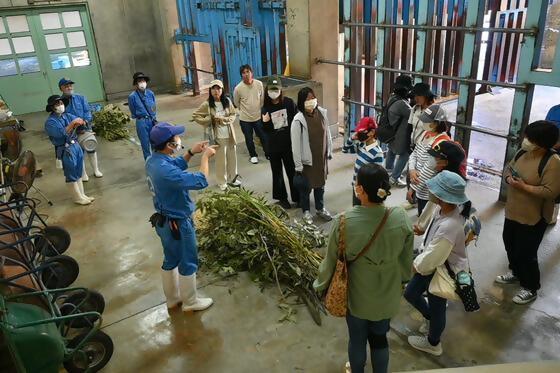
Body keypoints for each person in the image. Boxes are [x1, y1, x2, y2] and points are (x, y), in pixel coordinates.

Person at [314, 164, 413, 373]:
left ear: (359, 190)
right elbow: (406, 263)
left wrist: (320, 285)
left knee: (357, 340)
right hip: (387, 296)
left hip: (357, 298)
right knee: (379, 340)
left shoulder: (343, 222)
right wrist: (402, 281)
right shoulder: (401, 217)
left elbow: (330, 261)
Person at [146, 122, 217, 312]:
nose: (179, 140)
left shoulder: (153, 161)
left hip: (163, 221)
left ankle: (173, 299)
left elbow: (176, 164)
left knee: (171, 258)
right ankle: (190, 301)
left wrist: (191, 152)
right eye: (176, 138)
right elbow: (201, 181)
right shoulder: (165, 172)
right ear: (169, 145)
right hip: (178, 223)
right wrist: (205, 158)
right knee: (188, 259)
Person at [404, 171, 471, 356]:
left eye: (434, 189)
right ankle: (430, 320)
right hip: (435, 264)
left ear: (443, 196)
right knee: (411, 294)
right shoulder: (442, 209)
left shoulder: (451, 225)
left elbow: (435, 256)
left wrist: (415, 265)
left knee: (437, 303)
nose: (430, 191)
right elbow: (434, 240)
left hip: (440, 269)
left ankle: (433, 343)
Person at [496, 121, 560, 304]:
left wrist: (524, 187)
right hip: (513, 211)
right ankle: (515, 272)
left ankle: (531, 287)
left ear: (542, 142)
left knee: (526, 253)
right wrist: (509, 178)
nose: (526, 140)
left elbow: (550, 192)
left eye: (530, 138)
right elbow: (509, 167)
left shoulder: (553, 162)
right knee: (510, 244)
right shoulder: (523, 152)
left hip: (534, 217)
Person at [291, 87, 333, 225]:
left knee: (320, 185)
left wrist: (329, 151)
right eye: (307, 99)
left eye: (312, 98)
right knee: (306, 188)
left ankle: (320, 208)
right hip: (307, 161)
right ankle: (306, 211)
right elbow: (295, 145)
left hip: (320, 158)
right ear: (301, 102)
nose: (310, 101)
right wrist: (298, 165)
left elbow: (328, 133)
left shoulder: (321, 113)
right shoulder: (298, 120)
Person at [44, 95, 93, 205]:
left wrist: (82, 121)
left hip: (75, 145)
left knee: (79, 171)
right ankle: (77, 198)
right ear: (52, 107)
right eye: (57, 104)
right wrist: (72, 124)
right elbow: (59, 134)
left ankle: (82, 195)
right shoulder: (50, 122)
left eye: (61, 103)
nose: (60, 105)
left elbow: (79, 120)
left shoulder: (67, 115)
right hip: (65, 149)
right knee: (71, 173)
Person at [191, 79, 240, 191]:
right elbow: (195, 115)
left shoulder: (227, 101)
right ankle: (221, 181)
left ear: (222, 90)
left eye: (218, 88)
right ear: (210, 91)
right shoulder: (207, 104)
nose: (216, 91)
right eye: (213, 88)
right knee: (221, 160)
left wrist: (225, 120)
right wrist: (208, 120)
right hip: (218, 137)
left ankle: (233, 178)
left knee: (232, 158)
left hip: (230, 134)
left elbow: (233, 114)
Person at [261, 76, 298, 209]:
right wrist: (264, 123)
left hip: (288, 145)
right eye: (271, 89)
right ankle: (282, 198)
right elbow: (265, 131)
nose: (274, 92)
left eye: (276, 89)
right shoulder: (265, 108)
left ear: (281, 89)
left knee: (292, 171)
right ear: (267, 91)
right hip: (274, 147)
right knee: (277, 174)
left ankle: (297, 196)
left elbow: (297, 121)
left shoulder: (289, 103)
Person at [408, 104, 451, 216]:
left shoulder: (441, 142)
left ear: (436, 123)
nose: (423, 123)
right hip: (419, 186)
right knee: (421, 213)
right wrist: (412, 170)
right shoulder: (426, 134)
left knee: (427, 218)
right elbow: (414, 154)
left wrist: (413, 188)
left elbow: (429, 169)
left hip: (430, 191)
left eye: (426, 121)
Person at [59, 77, 103, 181]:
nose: (69, 87)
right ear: (61, 88)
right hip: (72, 132)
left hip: (85, 128)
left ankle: (96, 170)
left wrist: (85, 121)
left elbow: (87, 111)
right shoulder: (61, 102)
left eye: (70, 85)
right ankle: (83, 174)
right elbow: (63, 116)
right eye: (66, 86)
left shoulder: (81, 98)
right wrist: (73, 124)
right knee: (79, 152)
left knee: (91, 147)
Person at [233, 64, 268, 164]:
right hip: (245, 119)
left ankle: (268, 153)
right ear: (241, 75)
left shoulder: (259, 84)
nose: (246, 74)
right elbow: (236, 103)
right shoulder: (238, 88)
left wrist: (259, 111)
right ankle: (253, 155)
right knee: (249, 139)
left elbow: (262, 99)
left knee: (263, 136)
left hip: (258, 117)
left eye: (248, 71)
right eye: (243, 73)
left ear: (252, 73)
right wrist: (244, 111)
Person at [384, 75, 413, 187]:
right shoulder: (402, 104)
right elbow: (413, 115)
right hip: (400, 134)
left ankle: (388, 171)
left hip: (392, 131)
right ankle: (394, 178)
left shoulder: (392, 97)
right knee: (405, 154)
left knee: (391, 150)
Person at [351, 117, 384, 206]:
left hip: (365, 193)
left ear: (372, 132)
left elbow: (376, 177)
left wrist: (365, 194)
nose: (360, 134)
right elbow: (345, 150)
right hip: (356, 186)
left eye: (362, 132)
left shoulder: (378, 153)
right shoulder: (362, 144)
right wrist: (352, 139)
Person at [128, 72, 157, 160]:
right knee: (145, 145)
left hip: (152, 120)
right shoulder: (132, 97)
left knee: (155, 143)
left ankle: (157, 164)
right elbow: (133, 111)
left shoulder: (150, 93)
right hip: (141, 122)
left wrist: (154, 118)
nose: (142, 83)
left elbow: (154, 107)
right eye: (139, 81)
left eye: (143, 81)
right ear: (136, 84)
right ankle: (149, 167)